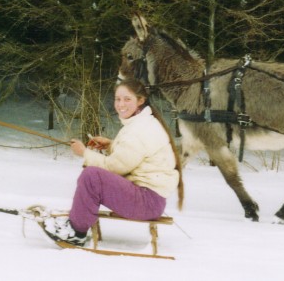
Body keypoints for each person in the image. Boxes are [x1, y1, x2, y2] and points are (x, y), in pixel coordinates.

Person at [42, 79, 182, 246]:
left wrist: (84, 153)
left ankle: (76, 232)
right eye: (117, 99)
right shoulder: (143, 123)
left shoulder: (139, 129)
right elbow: (134, 155)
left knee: (91, 177)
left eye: (127, 99)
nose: (121, 104)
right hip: (150, 200)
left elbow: (114, 167)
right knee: (93, 176)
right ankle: (76, 224)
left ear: (141, 100)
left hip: (146, 203)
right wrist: (111, 145)